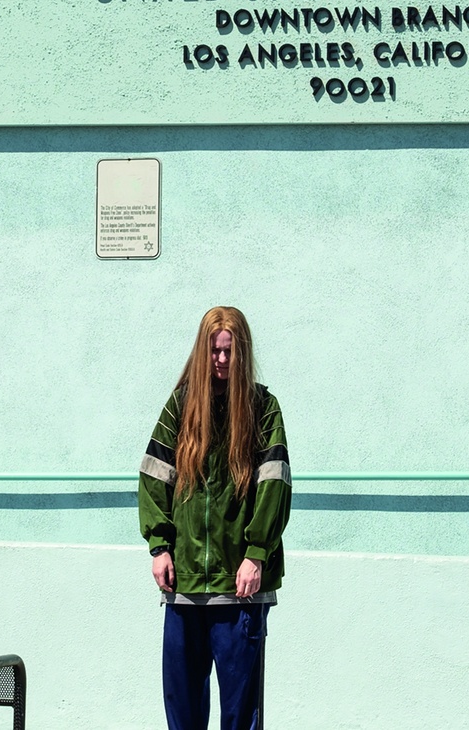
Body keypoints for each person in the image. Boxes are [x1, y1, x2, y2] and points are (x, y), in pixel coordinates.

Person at [138, 306, 291, 730]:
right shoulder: (182, 404)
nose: (221, 360)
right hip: (184, 585)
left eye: (229, 351)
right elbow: (154, 476)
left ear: (242, 352)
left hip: (240, 589)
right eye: (214, 351)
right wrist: (160, 547)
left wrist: (256, 553)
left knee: (241, 714)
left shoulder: (263, 407)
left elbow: (274, 485)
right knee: (182, 709)